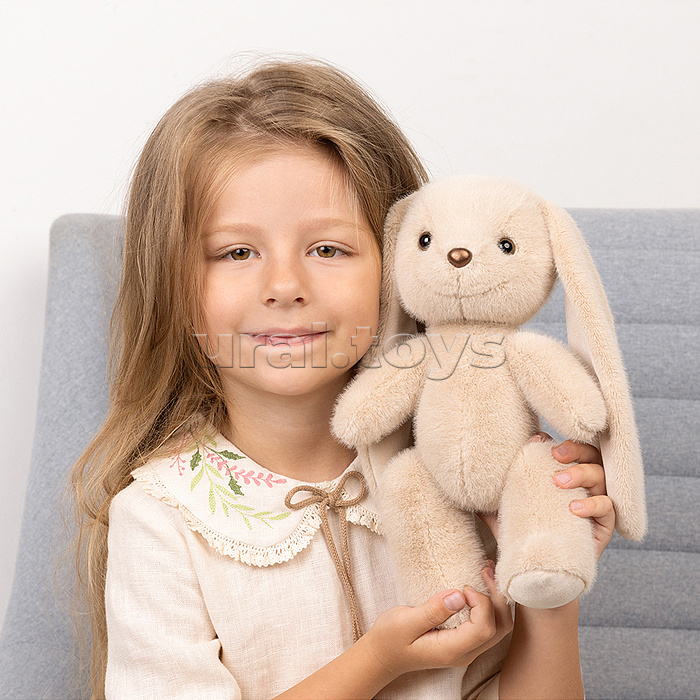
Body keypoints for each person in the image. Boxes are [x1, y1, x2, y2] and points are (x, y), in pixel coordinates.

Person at [67, 57, 616, 699]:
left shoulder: (458, 473)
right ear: (175, 288)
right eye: (236, 252)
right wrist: (378, 662)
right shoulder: (163, 519)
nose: (284, 286)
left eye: (328, 249)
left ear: (399, 265)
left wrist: (552, 584)